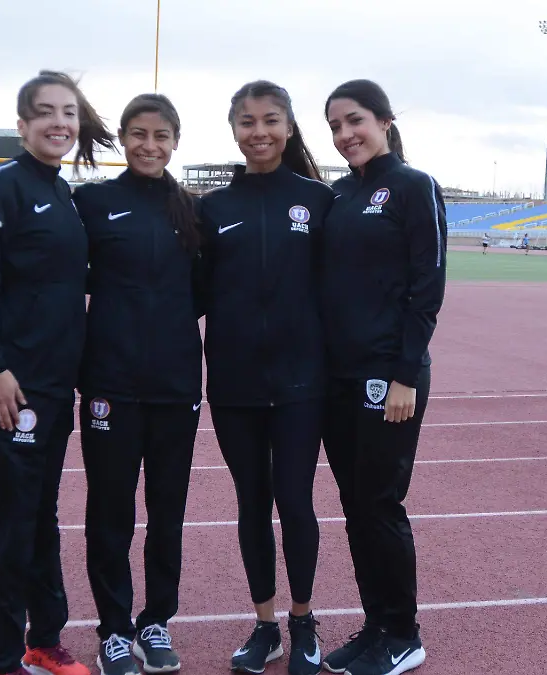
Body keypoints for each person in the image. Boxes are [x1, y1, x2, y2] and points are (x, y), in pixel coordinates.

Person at [0, 69, 114, 675]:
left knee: (41, 509)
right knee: (18, 514)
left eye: (69, 112)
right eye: (46, 112)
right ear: (22, 125)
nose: (59, 122)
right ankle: (1, 658)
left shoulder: (66, 196)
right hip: (10, 383)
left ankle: (44, 639)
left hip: (54, 383)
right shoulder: (3, 184)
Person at [198, 80, 334, 675]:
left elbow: (341, 289)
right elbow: (190, 293)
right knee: (251, 504)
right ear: (233, 129)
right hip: (233, 384)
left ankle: (303, 621)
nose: (259, 132)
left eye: (270, 120)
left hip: (304, 383)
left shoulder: (318, 200)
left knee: (295, 502)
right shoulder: (212, 208)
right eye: (247, 122)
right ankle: (265, 625)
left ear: (288, 126)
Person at [71, 93, 204, 675]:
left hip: (176, 386)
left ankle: (156, 621)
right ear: (123, 138)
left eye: (162, 136)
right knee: (110, 511)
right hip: (109, 385)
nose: (150, 146)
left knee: (167, 511)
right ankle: (115, 630)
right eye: (138, 134)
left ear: (176, 141)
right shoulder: (92, 202)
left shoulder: (194, 210)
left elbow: (203, 294)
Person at [318, 79, 446, 675]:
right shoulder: (340, 195)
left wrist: (404, 376)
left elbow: (428, 289)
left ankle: (404, 633)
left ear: (385, 121)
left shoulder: (414, 187)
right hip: (338, 377)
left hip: (388, 378)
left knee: (381, 502)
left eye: (355, 121)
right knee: (355, 504)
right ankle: (376, 626)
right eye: (336, 127)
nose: (346, 135)